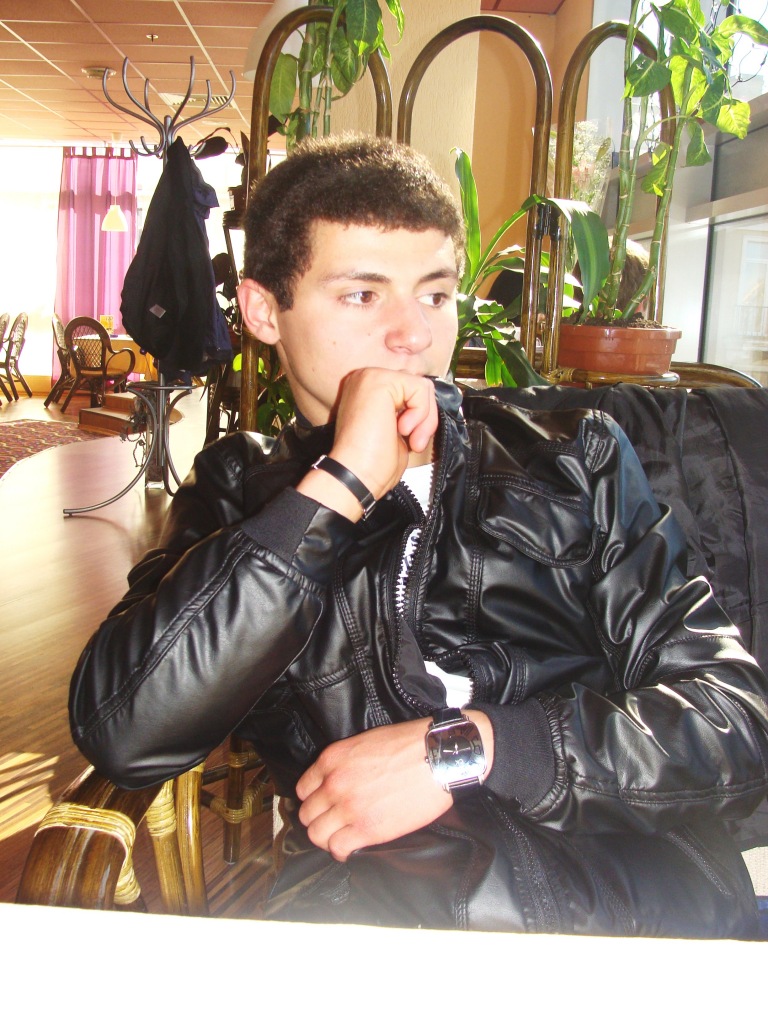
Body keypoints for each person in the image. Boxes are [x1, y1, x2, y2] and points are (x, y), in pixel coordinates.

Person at [69, 134, 768, 938]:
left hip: (642, 917)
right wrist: (339, 487)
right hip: (379, 929)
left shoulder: (572, 455)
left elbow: (733, 719)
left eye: (435, 295)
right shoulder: (243, 494)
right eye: (362, 295)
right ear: (264, 311)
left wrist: (471, 749)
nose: (412, 335)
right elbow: (125, 730)